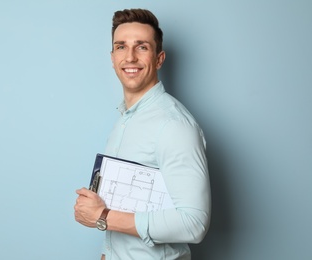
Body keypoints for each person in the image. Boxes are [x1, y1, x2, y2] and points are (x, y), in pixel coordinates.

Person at [74, 8, 211, 260]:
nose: (130, 57)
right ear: (112, 57)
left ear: (159, 59)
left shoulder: (174, 125)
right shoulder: (125, 120)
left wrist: (102, 217)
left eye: (142, 47)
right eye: (121, 47)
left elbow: (194, 223)